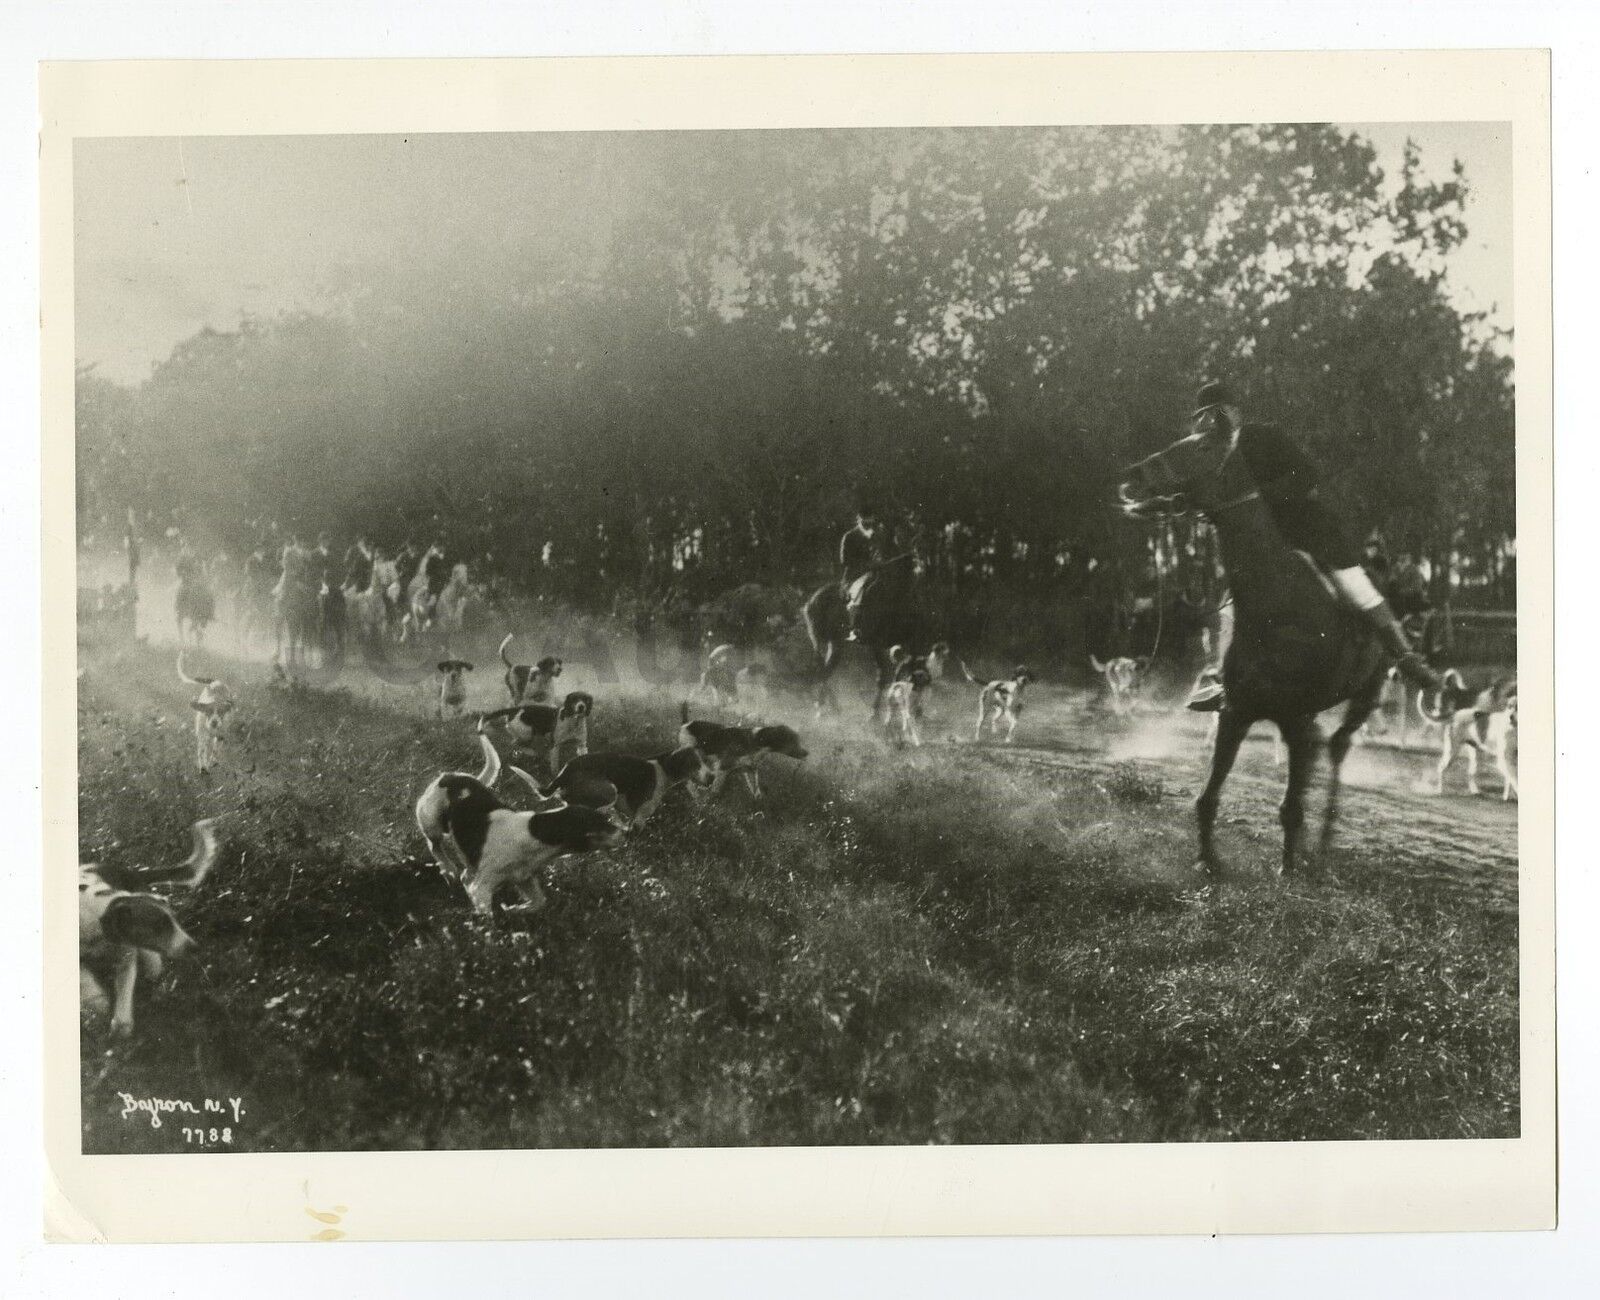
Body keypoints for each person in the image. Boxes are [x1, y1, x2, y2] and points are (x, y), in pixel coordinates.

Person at [1185, 381, 1442, 710]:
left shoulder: (1266, 437)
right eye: (1203, 419)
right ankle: (1224, 678)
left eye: (1214, 415)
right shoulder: (1215, 459)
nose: (1209, 425)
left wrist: (1261, 496)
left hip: (1307, 533)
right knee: (1231, 606)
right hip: (1262, 547)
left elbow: (1306, 474)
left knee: (1359, 589)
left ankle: (1407, 658)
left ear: (1233, 413)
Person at [839, 504, 889, 640]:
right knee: (861, 590)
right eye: (864, 519)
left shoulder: (879, 535)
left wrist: (881, 563)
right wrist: (868, 565)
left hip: (878, 572)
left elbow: (884, 554)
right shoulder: (850, 536)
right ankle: (855, 627)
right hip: (856, 575)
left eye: (870, 519)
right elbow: (846, 561)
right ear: (858, 519)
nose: (868, 522)